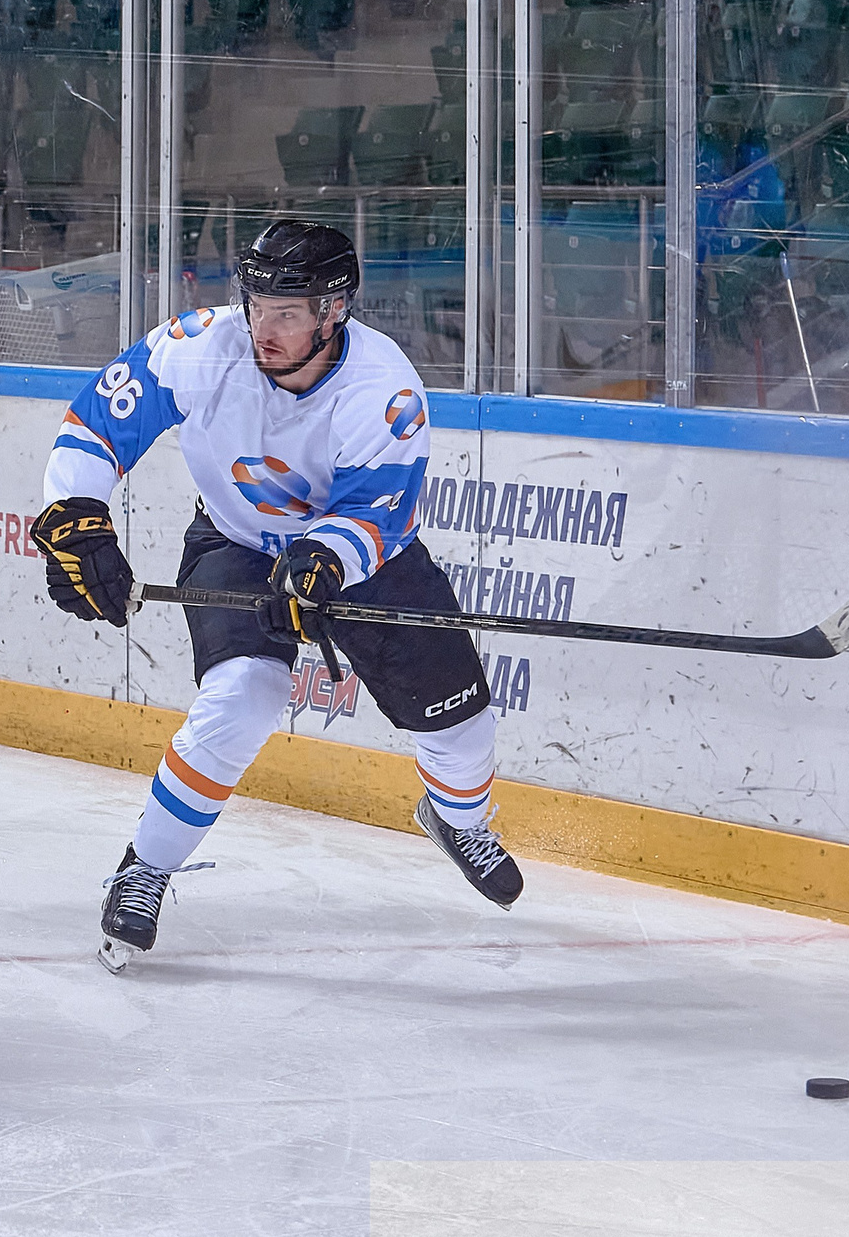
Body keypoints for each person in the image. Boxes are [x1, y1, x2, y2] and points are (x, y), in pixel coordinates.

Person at [30, 219, 521, 970]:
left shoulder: (384, 390)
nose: (265, 327)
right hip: (233, 542)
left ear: (335, 311)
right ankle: (146, 867)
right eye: (257, 305)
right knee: (244, 696)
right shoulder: (200, 346)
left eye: (288, 313)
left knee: (461, 726)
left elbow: (374, 513)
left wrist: (322, 559)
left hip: (364, 560)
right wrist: (76, 514)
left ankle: (457, 818)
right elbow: (96, 426)